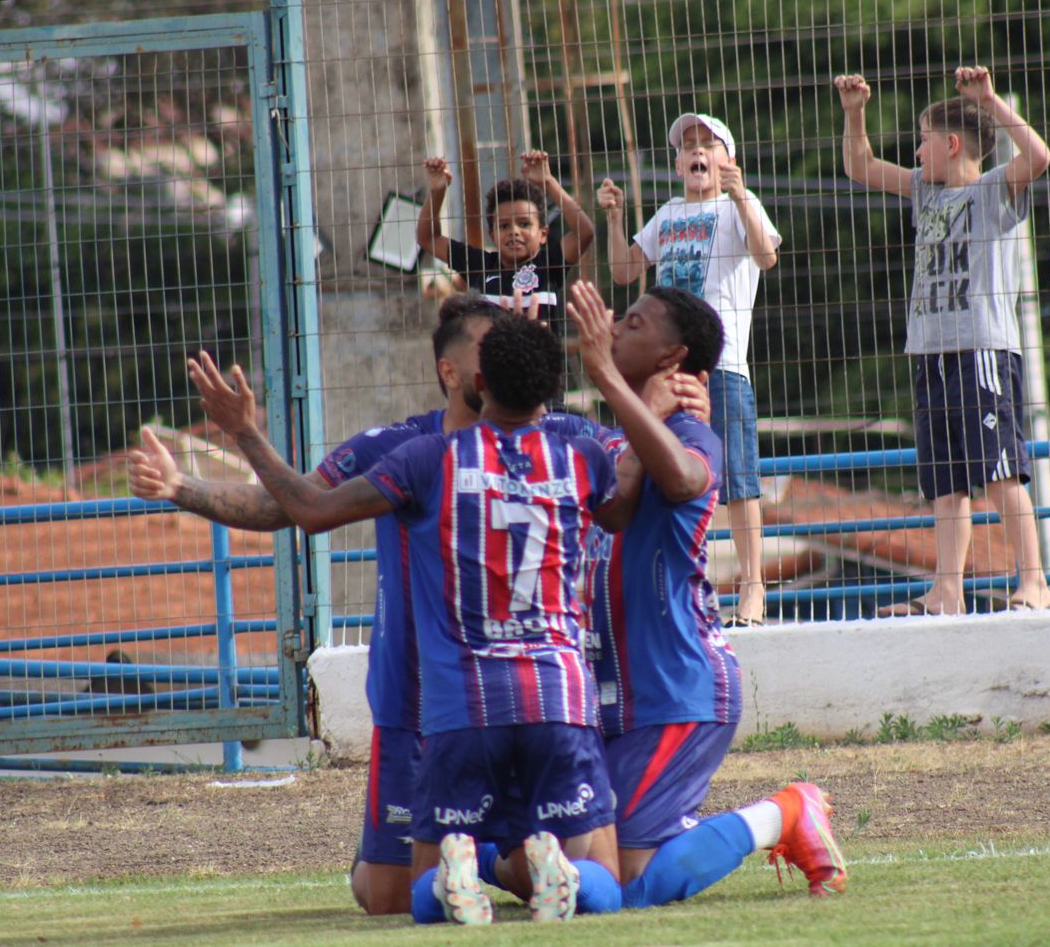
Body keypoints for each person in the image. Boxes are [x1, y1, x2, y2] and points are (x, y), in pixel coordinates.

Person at [184, 315, 632, 925]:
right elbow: (633, 500)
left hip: (461, 707)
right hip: (559, 695)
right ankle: (560, 869)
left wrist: (244, 432)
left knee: (424, 898)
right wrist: (629, 385)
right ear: (554, 384)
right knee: (604, 880)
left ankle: (457, 877)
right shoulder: (583, 458)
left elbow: (311, 510)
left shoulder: (427, 459)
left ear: (478, 377)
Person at [128, 294, 511, 917]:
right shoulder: (402, 447)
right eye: (487, 349)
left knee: (549, 866)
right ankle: (476, 854)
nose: (502, 359)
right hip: (412, 699)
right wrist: (182, 487)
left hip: (511, 694)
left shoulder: (545, 438)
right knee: (384, 898)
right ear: (450, 371)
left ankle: (491, 854)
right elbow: (294, 504)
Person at [568, 279, 848, 905]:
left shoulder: (696, 437)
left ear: (673, 360)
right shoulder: (601, 442)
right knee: (579, 858)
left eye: (634, 324)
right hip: (611, 698)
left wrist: (605, 377)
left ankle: (784, 812)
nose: (614, 327)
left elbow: (685, 477)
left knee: (632, 883)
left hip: (676, 687)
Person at [835, 66, 1050, 615]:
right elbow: (859, 166)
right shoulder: (923, 193)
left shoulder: (992, 189)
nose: (914, 153)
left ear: (952, 143)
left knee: (1000, 469)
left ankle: (1034, 582)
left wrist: (990, 101)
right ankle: (946, 592)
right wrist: (854, 112)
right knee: (946, 483)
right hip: (928, 354)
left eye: (922, 141)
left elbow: (1040, 158)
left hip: (980, 350)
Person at [599, 113, 781, 627]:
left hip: (721, 365)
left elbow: (766, 256)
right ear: (678, 163)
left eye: (709, 144)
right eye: (688, 146)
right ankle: (681, 580)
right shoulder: (667, 213)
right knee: (666, 474)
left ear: (728, 160)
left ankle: (753, 587)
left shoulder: (736, 208)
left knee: (740, 479)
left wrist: (742, 195)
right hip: (663, 372)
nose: (697, 152)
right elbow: (623, 271)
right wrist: (614, 220)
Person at [416, 150, 595, 326]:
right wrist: (437, 192)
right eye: (504, 226)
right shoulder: (481, 265)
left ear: (543, 234)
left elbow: (584, 232)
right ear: (492, 236)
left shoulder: (549, 265)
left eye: (524, 224)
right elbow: (428, 238)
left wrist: (549, 182)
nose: (514, 231)